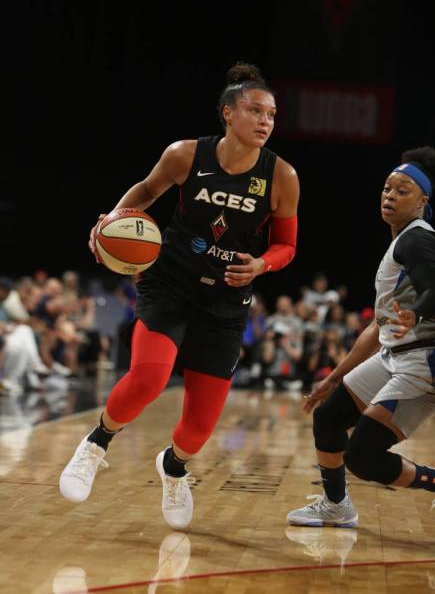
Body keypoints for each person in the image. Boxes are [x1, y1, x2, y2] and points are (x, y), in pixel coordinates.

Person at [59, 61, 300, 529]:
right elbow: (146, 193)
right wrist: (109, 221)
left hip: (227, 303)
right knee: (148, 378)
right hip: (170, 281)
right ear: (228, 113)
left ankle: (174, 467)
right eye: (255, 110)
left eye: (272, 114)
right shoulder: (185, 155)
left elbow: (287, 246)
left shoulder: (282, 176)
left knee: (198, 430)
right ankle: (95, 444)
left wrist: (261, 264)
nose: (266, 121)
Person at [287, 146, 435, 528]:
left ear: (422, 201)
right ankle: (336, 506)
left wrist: (416, 313)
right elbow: (376, 328)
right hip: (394, 354)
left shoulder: (416, 240)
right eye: (387, 188)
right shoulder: (400, 241)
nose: (390, 195)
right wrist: (334, 377)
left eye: (403, 191)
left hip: (422, 361)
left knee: (364, 457)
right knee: (329, 417)